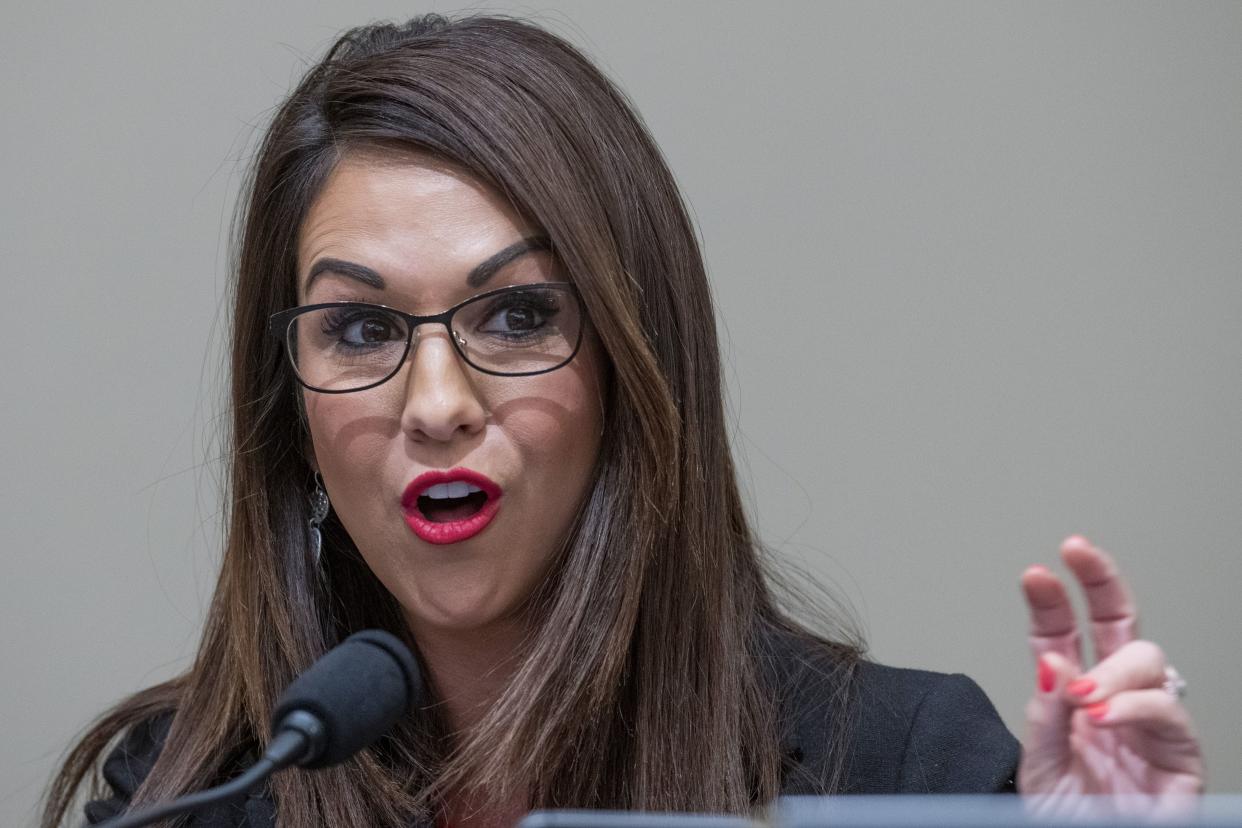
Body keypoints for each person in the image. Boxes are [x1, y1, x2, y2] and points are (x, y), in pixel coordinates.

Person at [41, 14, 1203, 828]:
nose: (437, 406)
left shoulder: (900, 769)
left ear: (636, 374)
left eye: (517, 316)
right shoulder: (186, 795)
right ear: (286, 403)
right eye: (359, 332)